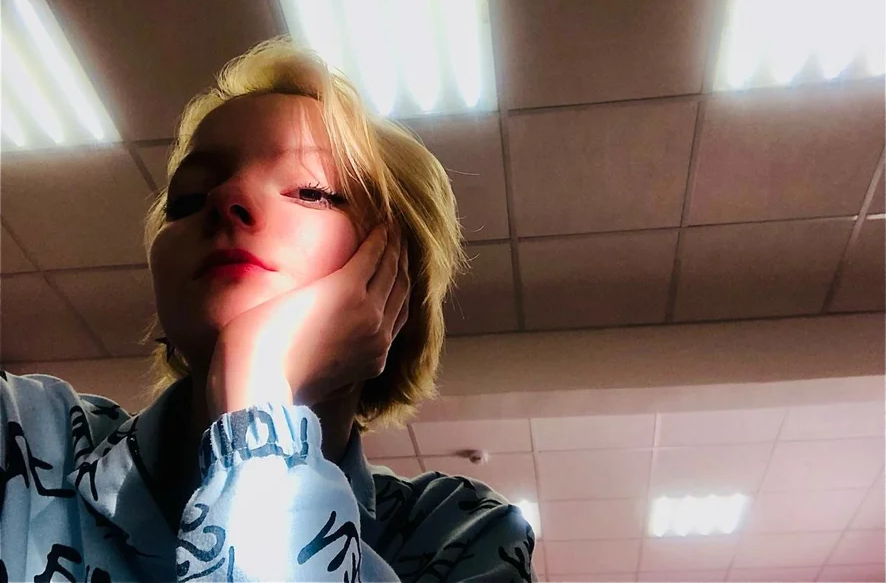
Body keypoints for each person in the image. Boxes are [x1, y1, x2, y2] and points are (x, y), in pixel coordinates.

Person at [0, 37, 537, 582]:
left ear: (396, 282)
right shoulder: (20, 431)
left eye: (311, 191)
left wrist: (257, 393)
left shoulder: (459, 537)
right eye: (188, 198)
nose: (226, 196)